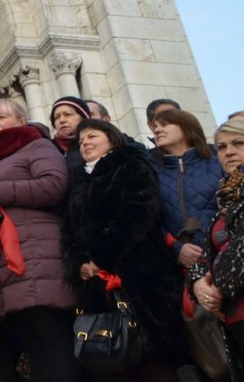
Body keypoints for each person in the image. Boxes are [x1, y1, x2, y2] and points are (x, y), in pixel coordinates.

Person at [62, 118, 187, 380]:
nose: (85, 143)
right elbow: (68, 230)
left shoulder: (131, 165)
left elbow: (138, 212)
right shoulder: (78, 182)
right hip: (96, 287)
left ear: (112, 138)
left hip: (139, 276)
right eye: (81, 140)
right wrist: (79, 264)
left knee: (154, 360)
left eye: (92, 136)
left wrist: (99, 256)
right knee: (114, 363)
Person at [0, 98, 81, 382]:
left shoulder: (37, 145)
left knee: (55, 344)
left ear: (22, 121)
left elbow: (53, 185)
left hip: (40, 256)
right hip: (12, 264)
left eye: (2, 116)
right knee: (37, 348)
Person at [189, 111, 244, 375]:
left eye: (239, 143)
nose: (228, 152)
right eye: (222, 146)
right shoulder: (226, 196)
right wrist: (198, 283)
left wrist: (216, 290)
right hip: (234, 313)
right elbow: (205, 254)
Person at [152, 107, 222, 270]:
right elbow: (150, 224)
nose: (157, 130)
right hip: (179, 272)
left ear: (187, 128)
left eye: (165, 124)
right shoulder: (153, 176)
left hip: (226, 259)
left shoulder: (219, 165)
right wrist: (177, 249)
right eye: (155, 126)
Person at [50, 95, 89, 179]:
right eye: (57, 117)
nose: (62, 120)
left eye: (67, 114)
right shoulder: (47, 148)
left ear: (83, 118)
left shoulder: (96, 143)